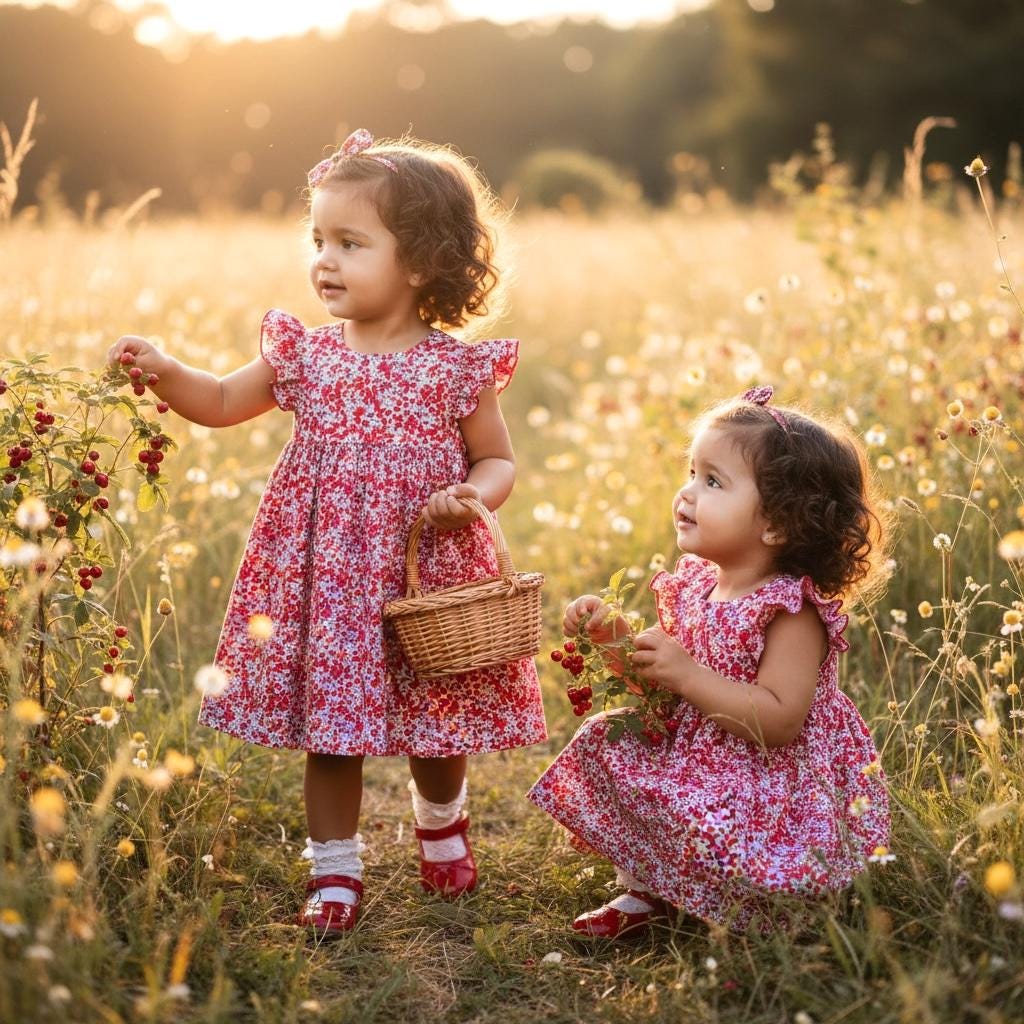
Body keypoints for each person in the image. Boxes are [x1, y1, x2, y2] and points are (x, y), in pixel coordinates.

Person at [105, 129, 546, 937]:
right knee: (332, 730)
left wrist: (471, 495)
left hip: (424, 569)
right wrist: (165, 369)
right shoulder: (304, 356)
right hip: (329, 576)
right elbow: (220, 401)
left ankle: (441, 820)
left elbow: (497, 462)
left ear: (421, 261)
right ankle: (335, 868)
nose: (325, 261)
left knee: (434, 712)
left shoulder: (455, 369)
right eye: (318, 240)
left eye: (350, 242)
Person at [528, 385, 892, 937]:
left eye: (713, 482)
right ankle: (647, 889)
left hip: (767, 779)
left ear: (777, 524)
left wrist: (688, 673)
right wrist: (614, 639)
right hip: (698, 752)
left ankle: (762, 905)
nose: (687, 492)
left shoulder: (791, 611)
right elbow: (663, 690)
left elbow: (780, 720)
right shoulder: (697, 586)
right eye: (692, 472)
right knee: (611, 736)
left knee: (711, 810)